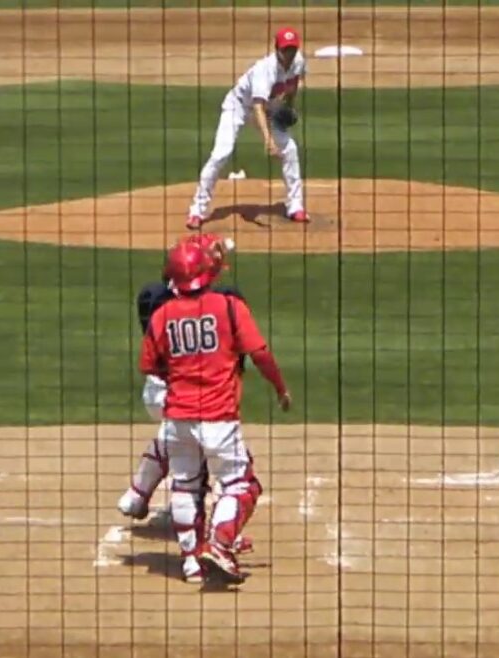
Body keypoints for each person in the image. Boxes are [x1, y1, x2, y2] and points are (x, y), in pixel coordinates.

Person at [140, 234, 291, 585]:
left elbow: (150, 366)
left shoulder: (161, 316)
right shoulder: (228, 307)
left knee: (185, 485)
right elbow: (260, 353)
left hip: (177, 418)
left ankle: (191, 562)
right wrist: (280, 387)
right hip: (219, 418)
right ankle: (222, 543)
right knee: (242, 484)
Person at [116, 235, 253, 582]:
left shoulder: (157, 297)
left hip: (163, 390)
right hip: (182, 392)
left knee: (178, 445)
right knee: (200, 469)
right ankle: (209, 543)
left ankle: (138, 494)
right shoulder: (216, 303)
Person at [187, 26, 308, 229]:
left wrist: (288, 106)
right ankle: (197, 211)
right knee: (221, 154)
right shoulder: (265, 70)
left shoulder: (298, 62)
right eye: (286, 49)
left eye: (292, 49)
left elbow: (293, 84)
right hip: (238, 106)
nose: (289, 53)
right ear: (277, 49)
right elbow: (257, 106)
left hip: (267, 108)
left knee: (290, 149)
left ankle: (295, 206)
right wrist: (268, 140)